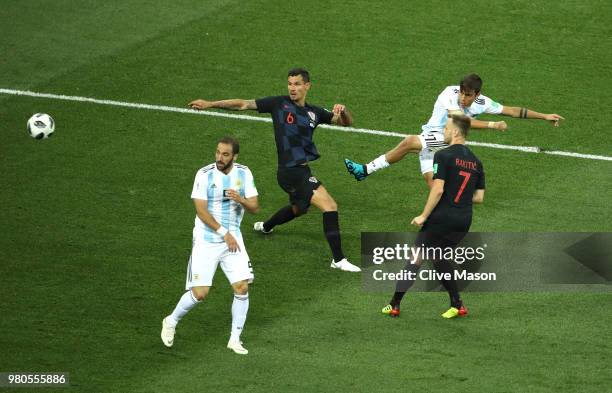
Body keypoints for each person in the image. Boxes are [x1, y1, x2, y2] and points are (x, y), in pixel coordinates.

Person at [188, 68, 361, 272]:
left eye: (297, 84)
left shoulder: (315, 112)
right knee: (330, 206)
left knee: (299, 209)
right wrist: (210, 104)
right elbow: (243, 104)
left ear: (307, 86)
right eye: (290, 83)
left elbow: (346, 122)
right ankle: (338, 259)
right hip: (290, 171)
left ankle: (266, 226)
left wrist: (344, 110)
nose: (292, 88)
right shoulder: (279, 104)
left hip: (300, 172)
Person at [345, 73, 564, 188]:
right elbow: (459, 119)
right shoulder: (448, 94)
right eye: (462, 93)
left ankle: (364, 171)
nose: (463, 97)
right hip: (432, 136)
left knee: (410, 142)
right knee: (435, 187)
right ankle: (443, 224)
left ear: (477, 94)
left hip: (448, 139)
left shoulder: (483, 102)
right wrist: (492, 125)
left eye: (468, 95)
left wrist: (544, 116)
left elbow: (513, 111)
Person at [161, 136, 259, 355]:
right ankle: (171, 320)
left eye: (225, 154)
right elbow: (201, 211)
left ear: (235, 156)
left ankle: (235, 339)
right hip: (207, 239)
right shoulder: (204, 174)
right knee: (200, 293)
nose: (219, 158)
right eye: (217, 152)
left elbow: (255, 207)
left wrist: (240, 199)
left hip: (232, 238)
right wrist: (224, 233)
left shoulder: (244, 173)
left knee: (242, 287)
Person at [381, 114, 485, 318]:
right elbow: (479, 197)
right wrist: (460, 195)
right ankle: (457, 304)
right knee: (438, 257)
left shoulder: (443, 155)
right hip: (464, 219)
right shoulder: (476, 161)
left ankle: (395, 304)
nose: (443, 132)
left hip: (442, 217)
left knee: (416, 258)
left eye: (446, 129)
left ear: (455, 131)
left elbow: (437, 190)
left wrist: (423, 215)